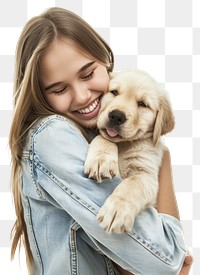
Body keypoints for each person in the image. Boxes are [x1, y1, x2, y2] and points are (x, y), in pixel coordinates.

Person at [9, 7, 192, 275]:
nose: (83, 96)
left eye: (87, 74)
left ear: (106, 62)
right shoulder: (52, 135)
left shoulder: (99, 127)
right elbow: (166, 260)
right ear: (39, 94)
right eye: (59, 89)